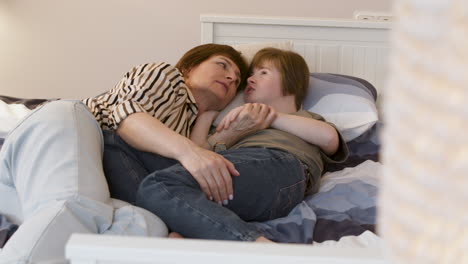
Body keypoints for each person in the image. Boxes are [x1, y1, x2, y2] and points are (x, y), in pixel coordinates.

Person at [0, 43, 250, 262]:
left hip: (95, 186)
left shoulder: (186, 127)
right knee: (76, 203)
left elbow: (196, 161)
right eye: (223, 66)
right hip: (71, 128)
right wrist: (190, 153)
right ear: (188, 67)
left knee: (147, 228)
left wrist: (210, 114)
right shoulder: (167, 76)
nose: (230, 78)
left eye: (237, 80)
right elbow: (126, 118)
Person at [133, 48, 349, 242]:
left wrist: (270, 116)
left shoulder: (306, 118)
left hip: (280, 165)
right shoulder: (236, 123)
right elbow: (200, 154)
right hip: (243, 177)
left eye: (263, 72)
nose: (250, 79)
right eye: (250, 75)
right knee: (163, 183)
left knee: (160, 184)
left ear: (291, 81)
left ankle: (259, 248)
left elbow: (329, 139)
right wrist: (210, 112)